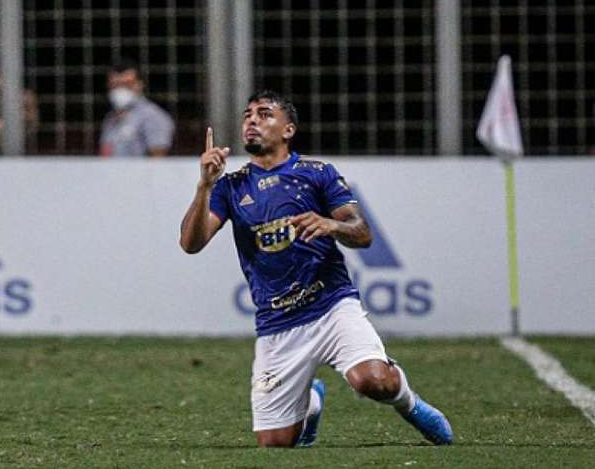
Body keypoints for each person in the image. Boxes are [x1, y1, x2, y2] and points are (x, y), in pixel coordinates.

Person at [179, 90, 453, 447]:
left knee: (371, 381)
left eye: (264, 114)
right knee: (275, 443)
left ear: (288, 129)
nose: (251, 121)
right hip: (277, 323)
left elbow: (363, 233)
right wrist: (204, 186)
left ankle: (410, 403)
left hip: (332, 306)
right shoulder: (230, 186)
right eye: (248, 115)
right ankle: (310, 404)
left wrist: (332, 225)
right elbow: (191, 243)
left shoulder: (319, 173)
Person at [99, 60, 174, 157]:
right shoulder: (110, 118)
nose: (120, 89)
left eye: (127, 84)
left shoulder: (153, 116)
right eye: (115, 85)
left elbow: (158, 158)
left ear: (140, 84)